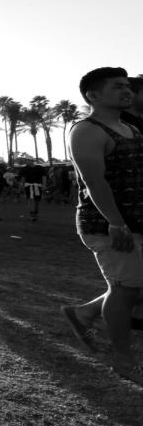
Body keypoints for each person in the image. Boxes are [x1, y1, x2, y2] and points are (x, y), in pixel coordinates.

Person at [62, 67, 143, 386]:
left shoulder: (130, 129)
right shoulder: (88, 131)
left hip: (134, 221)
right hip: (107, 224)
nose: (126, 91)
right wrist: (116, 223)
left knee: (131, 286)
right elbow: (94, 183)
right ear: (93, 95)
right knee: (127, 289)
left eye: (126, 86)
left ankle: (83, 313)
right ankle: (123, 360)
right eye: (116, 87)